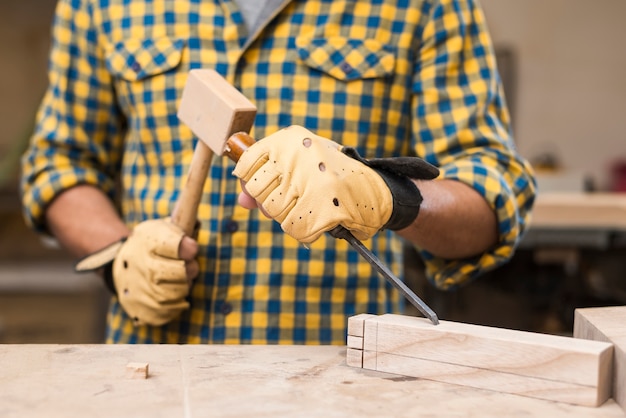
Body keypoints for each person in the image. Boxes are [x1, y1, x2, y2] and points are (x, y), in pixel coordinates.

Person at [21, 0, 536, 344]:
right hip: (156, 366)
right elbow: (59, 162)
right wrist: (118, 254)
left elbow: (493, 194)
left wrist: (388, 196)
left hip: (344, 372)